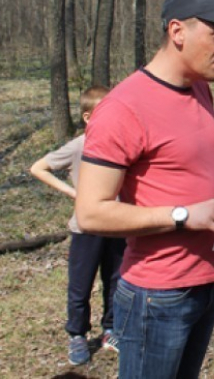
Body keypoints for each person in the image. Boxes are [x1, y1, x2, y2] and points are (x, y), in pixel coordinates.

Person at [75, 0, 214, 378]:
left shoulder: (200, 90)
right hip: (158, 296)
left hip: (209, 283)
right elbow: (90, 214)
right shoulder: (122, 108)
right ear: (178, 32)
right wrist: (182, 214)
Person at [29, 85, 125, 366]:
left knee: (116, 281)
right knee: (80, 286)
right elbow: (38, 168)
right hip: (86, 229)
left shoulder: (121, 145)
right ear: (87, 117)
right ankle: (77, 335)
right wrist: (73, 193)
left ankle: (111, 330)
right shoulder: (79, 147)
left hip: (117, 226)